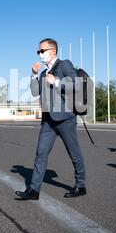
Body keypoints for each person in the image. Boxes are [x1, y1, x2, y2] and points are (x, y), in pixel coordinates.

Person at [15, 38, 86, 200]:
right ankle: (34, 190)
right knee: (41, 153)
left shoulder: (64, 64)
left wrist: (56, 81)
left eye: (42, 51)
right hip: (48, 120)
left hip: (65, 118)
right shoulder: (42, 72)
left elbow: (76, 84)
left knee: (74, 153)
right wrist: (33, 75)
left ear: (53, 51)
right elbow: (35, 92)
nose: (40, 54)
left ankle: (81, 185)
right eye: (38, 51)